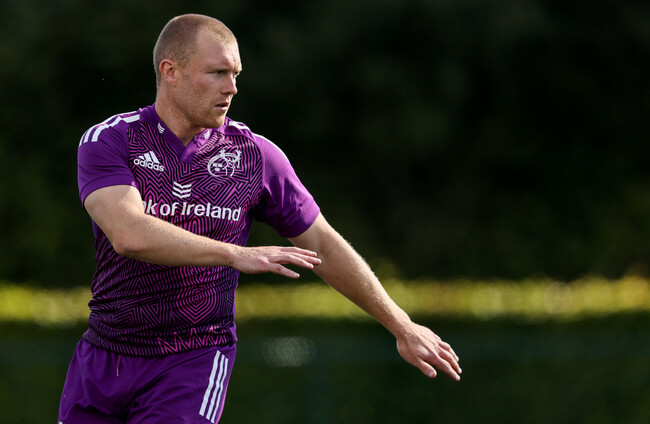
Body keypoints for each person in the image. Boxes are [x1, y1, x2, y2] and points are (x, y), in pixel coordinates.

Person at [59, 13, 462, 424]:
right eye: (217, 73)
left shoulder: (254, 156)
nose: (231, 88)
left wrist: (401, 325)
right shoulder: (112, 139)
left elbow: (323, 244)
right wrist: (234, 254)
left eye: (235, 74)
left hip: (191, 360)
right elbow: (128, 232)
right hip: (101, 357)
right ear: (170, 71)